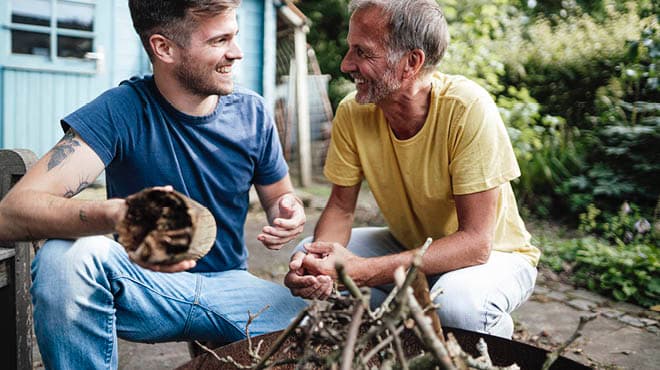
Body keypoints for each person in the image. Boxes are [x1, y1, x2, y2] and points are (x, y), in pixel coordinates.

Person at [0, 0, 308, 368]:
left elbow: (279, 196)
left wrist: (287, 211)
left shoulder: (253, 112)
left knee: (321, 329)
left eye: (235, 37)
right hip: (144, 287)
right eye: (219, 41)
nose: (236, 53)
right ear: (164, 48)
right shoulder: (119, 110)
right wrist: (119, 215)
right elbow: (12, 211)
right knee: (64, 259)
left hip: (231, 287)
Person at [284, 0, 540, 339]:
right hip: (412, 244)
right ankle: (405, 314)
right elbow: (342, 207)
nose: (347, 64)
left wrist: (363, 271)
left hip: (495, 255)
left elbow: (477, 243)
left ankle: (489, 336)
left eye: (362, 52)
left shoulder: (467, 108)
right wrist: (320, 268)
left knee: (458, 305)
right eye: (350, 49)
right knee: (305, 254)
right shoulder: (353, 112)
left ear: (411, 62)